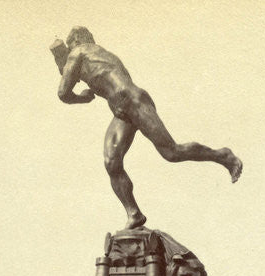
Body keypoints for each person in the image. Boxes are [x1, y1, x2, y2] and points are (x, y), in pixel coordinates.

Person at [51, 27, 243, 229]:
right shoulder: (97, 56)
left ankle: (223, 155)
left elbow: (63, 92)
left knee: (172, 152)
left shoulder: (79, 51)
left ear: (77, 41)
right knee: (112, 162)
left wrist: (82, 97)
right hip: (121, 110)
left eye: (69, 45)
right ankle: (134, 213)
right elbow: (72, 74)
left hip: (134, 102)